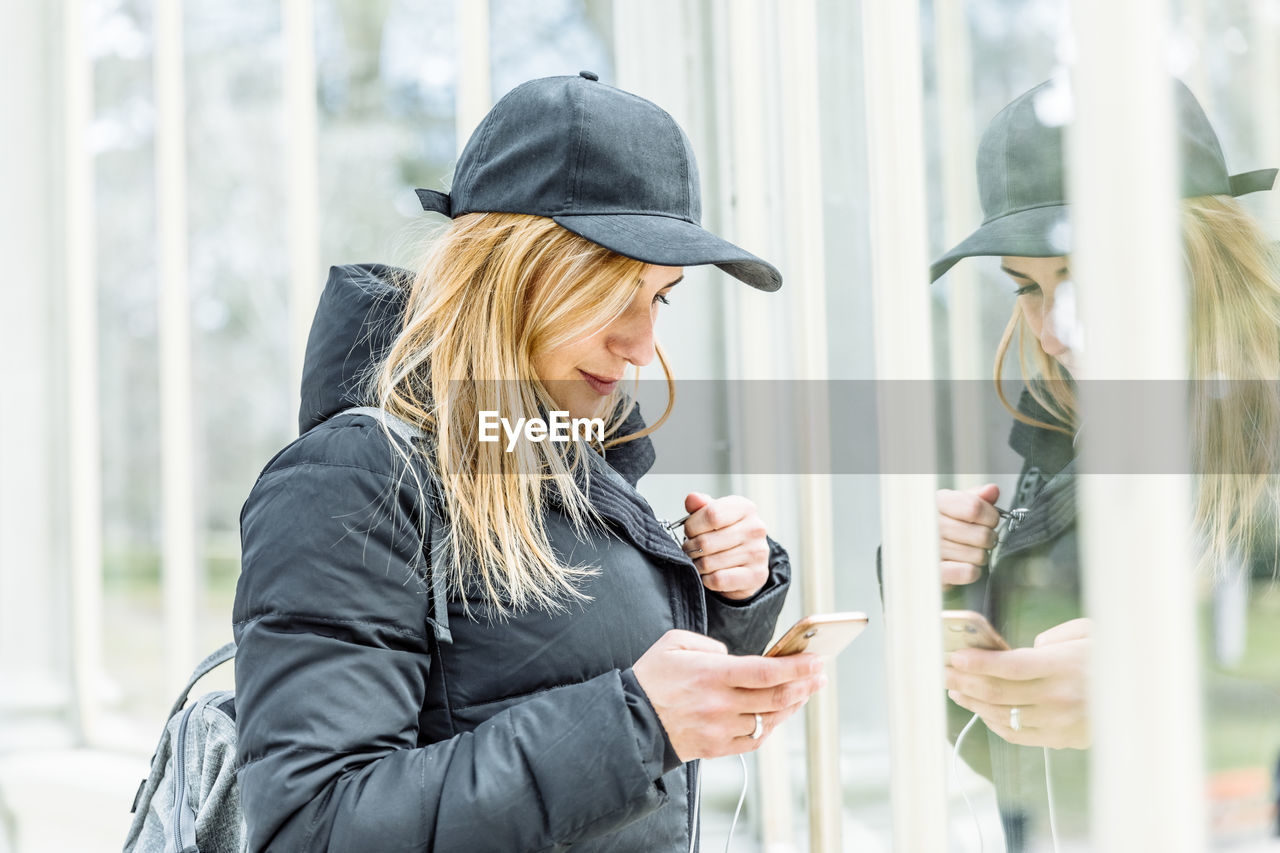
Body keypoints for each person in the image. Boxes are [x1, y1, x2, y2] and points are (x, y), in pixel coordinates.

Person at [232, 73, 826, 852]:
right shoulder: (357, 478)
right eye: (611, 289)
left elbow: (555, 676)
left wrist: (730, 597)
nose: (643, 344)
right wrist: (638, 721)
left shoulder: (568, 458)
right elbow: (312, 826)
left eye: (661, 298)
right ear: (508, 273)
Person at [930, 77, 1280, 846]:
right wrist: (953, 594)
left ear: (1199, 258)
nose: (1052, 331)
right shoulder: (1065, 436)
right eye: (1027, 287)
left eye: (1084, 276)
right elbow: (1021, 766)